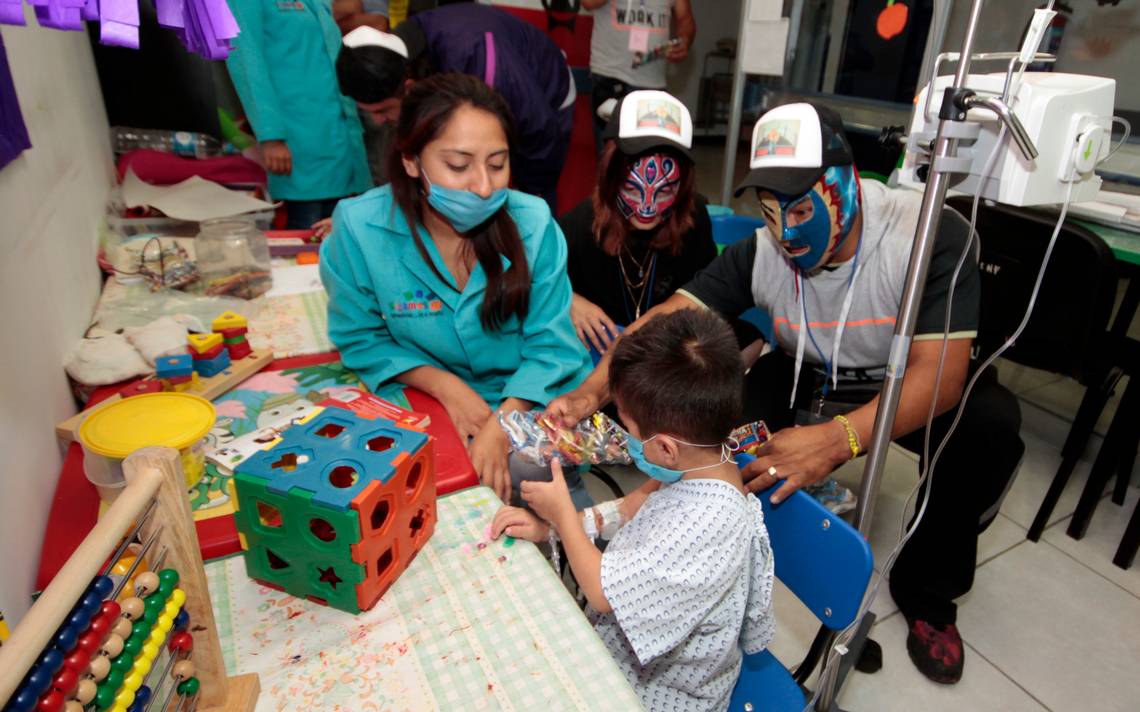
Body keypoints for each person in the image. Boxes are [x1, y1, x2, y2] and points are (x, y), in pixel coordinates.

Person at [549, 101, 1024, 685]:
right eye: (770, 211)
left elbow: (943, 375)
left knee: (988, 426)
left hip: (905, 379)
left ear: (846, 184)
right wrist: (589, 395)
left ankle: (929, 596)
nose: (786, 231)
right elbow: (667, 320)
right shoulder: (763, 251)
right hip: (811, 373)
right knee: (711, 428)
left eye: (800, 208)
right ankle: (707, 566)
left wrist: (837, 439)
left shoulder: (927, 233)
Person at [319, 73, 593, 508]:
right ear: (411, 160)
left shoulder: (534, 223)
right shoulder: (359, 228)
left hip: (530, 393)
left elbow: (552, 347)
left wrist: (503, 423)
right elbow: (361, 337)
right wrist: (446, 387)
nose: (483, 186)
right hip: (426, 397)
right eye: (459, 166)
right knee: (399, 490)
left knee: (535, 474)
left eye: (498, 164)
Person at [492, 308, 774, 711]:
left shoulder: (708, 525)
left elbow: (603, 593)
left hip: (661, 695)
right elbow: (629, 508)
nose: (623, 436)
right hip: (623, 653)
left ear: (665, 448)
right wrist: (549, 529)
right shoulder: (704, 463)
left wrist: (563, 515)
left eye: (627, 426)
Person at [334, 3, 577, 209]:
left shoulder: (480, 61)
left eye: (383, 111)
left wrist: (531, 202)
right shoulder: (400, 57)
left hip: (546, 99)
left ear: (409, 88)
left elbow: (540, 131)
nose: (378, 121)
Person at [558, 89, 718, 355]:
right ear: (610, 179)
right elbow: (526, 280)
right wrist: (568, 300)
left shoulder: (694, 216)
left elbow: (713, 292)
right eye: (632, 190)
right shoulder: (579, 226)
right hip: (595, 358)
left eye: (665, 191)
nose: (647, 208)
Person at [224, 0, 372, 229]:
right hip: (297, 141)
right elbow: (248, 64)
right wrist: (270, 135)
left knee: (345, 237)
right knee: (307, 238)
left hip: (339, 136)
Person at [582, 0, 695, 155]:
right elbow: (588, 3)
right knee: (610, 156)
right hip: (610, 75)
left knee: (650, 155)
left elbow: (685, 19)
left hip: (653, 83)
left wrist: (684, 41)